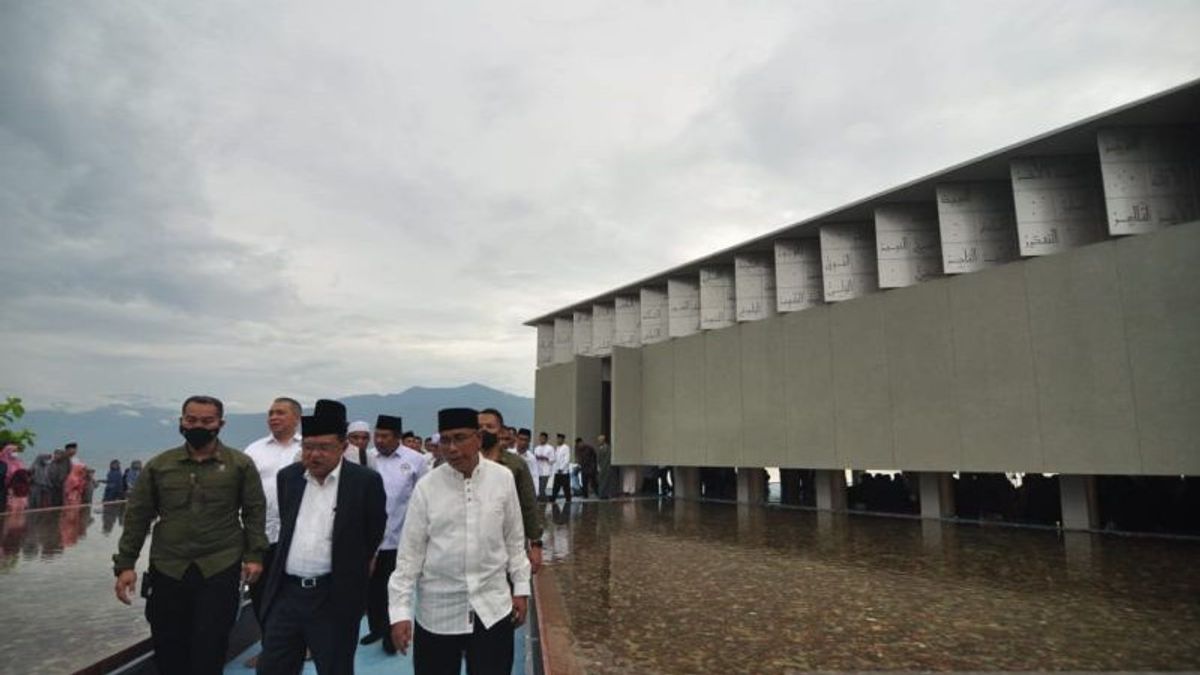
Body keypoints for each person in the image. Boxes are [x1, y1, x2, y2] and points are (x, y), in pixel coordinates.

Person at [113, 394, 268, 675]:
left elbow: (254, 513)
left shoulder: (239, 465)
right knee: (168, 643)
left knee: (211, 643)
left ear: (220, 424)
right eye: (191, 419)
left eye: (207, 421)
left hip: (219, 566)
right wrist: (125, 565)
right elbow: (138, 516)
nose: (198, 425)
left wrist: (254, 555)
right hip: (168, 567)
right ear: (181, 422)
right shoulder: (160, 466)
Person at [387, 408, 530, 675]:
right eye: (445, 440)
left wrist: (521, 588)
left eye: (460, 438)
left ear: (478, 438)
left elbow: (514, 538)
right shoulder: (427, 488)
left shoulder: (502, 479)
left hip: (492, 607)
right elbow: (409, 556)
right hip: (438, 614)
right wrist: (400, 612)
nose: (451, 448)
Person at [256, 400, 387, 675]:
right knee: (273, 667)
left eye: (324, 448)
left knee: (335, 667)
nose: (314, 455)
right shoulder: (289, 478)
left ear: (342, 447)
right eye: (308, 447)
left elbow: (374, 529)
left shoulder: (364, 482)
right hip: (287, 594)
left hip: (333, 596)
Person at [361, 414, 427, 654]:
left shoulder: (416, 461)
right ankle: (376, 629)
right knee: (372, 590)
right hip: (371, 538)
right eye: (377, 435)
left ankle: (391, 635)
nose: (379, 440)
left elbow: (423, 498)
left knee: (394, 588)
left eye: (385, 436)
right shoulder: (367, 458)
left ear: (398, 437)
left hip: (400, 537)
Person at [244, 397, 305, 635]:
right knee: (261, 592)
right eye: (270, 413)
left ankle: (303, 643)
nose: (273, 417)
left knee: (296, 590)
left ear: (297, 418)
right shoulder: (254, 450)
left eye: (280, 413)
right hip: (262, 535)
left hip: (299, 533)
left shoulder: (307, 449)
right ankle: (269, 645)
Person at [478, 409, 543, 574]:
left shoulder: (516, 465)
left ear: (500, 431)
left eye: (489, 426)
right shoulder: (467, 464)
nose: (484, 430)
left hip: (509, 543)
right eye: (480, 427)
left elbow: (528, 505)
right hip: (475, 543)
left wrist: (535, 544)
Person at [514, 429, 539, 497]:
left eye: (526, 440)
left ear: (529, 441)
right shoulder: (510, 453)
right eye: (521, 439)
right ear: (516, 439)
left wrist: (535, 493)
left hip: (523, 491)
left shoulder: (531, 458)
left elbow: (534, 475)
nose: (523, 442)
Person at [532, 433, 554, 501]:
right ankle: (540, 504)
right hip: (537, 471)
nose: (541, 439)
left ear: (546, 439)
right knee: (537, 489)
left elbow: (552, 460)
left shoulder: (550, 448)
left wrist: (545, 458)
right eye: (540, 438)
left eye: (543, 438)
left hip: (545, 472)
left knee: (541, 490)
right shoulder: (536, 448)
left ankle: (546, 502)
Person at [550, 434, 572, 503]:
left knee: (566, 488)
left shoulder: (566, 447)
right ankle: (553, 499)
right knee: (555, 487)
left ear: (563, 439)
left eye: (560, 439)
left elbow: (567, 460)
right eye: (557, 438)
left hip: (564, 472)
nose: (558, 440)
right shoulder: (557, 448)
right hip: (557, 471)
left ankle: (568, 501)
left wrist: (561, 468)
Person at [595, 435, 612, 500]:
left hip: (605, 468)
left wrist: (602, 467)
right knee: (601, 481)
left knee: (604, 481)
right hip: (601, 467)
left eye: (599, 440)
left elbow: (606, 459)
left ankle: (603, 494)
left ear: (603, 440)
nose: (598, 442)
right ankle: (602, 494)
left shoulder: (606, 448)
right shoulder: (600, 448)